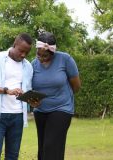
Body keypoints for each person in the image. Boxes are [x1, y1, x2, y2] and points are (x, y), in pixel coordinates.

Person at [0, 33, 34, 160]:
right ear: (15, 44)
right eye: (21, 51)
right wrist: (6, 91)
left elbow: (28, 90)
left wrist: (32, 101)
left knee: (12, 156)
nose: (23, 55)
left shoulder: (28, 66)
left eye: (26, 52)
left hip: (18, 116)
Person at [30, 32, 81, 160]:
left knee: (51, 146)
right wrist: (32, 101)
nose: (41, 58)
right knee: (43, 149)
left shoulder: (65, 59)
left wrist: (61, 98)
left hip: (62, 108)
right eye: (39, 55)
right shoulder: (32, 64)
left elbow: (76, 85)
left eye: (45, 56)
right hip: (40, 110)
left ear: (53, 52)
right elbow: (30, 88)